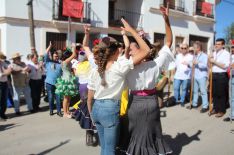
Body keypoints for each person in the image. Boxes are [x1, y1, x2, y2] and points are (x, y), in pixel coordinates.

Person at [87, 18, 150, 155]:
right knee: (109, 150)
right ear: (116, 52)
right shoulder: (119, 67)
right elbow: (146, 50)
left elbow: (89, 97)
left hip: (97, 108)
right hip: (109, 109)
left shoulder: (95, 70)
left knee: (104, 148)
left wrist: (92, 114)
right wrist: (131, 30)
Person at [125, 3, 173, 155]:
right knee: (146, 134)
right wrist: (166, 19)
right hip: (147, 101)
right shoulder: (149, 63)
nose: (129, 52)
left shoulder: (128, 65)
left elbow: (168, 43)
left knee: (141, 136)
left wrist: (166, 19)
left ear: (142, 50)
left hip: (139, 102)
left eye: (132, 49)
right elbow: (169, 42)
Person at [209, 38, 230, 117]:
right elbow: (209, 64)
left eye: (218, 44)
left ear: (223, 45)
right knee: (214, 93)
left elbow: (225, 66)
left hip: (221, 75)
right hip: (214, 74)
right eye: (216, 44)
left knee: (221, 93)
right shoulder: (214, 53)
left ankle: (221, 110)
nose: (216, 45)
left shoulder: (226, 53)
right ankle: (215, 108)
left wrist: (214, 61)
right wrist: (209, 58)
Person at [41, 42, 63, 117]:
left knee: (58, 98)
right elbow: (45, 54)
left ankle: (59, 111)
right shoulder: (48, 62)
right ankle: (51, 110)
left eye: (57, 56)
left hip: (58, 83)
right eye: (55, 56)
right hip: (49, 83)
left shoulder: (60, 64)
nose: (56, 57)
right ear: (52, 56)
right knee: (50, 98)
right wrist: (50, 46)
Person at [55, 46, 77, 118]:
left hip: (69, 79)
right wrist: (73, 47)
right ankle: (65, 113)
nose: (72, 56)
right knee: (66, 98)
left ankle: (67, 111)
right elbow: (74, 55)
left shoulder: (66, 61)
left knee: (69, 97)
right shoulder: (65, 62)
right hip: (66, 80)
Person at [189, 41, 209, 113]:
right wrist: (190, 64)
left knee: (203, 91)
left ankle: (205, 106)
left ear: (199, 48)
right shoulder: (195, 55)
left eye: (194, 48)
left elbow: (204, 66)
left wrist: (197, 63)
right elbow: (192, 65)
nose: (193, 49)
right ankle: (194, 104)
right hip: (195, 75)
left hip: (202, 76)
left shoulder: (204, 55)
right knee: (195, 91)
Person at [0, 52, 12, 121]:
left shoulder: (2, 63)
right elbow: (3, 74)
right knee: (1, 100)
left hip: (4, 83)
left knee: (4, 100)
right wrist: (6, 72)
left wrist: (6, 71)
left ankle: (2, 114)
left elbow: (9, 68)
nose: (2, 59)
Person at [224, 43, 234, 121]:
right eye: (232, 47)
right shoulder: (230, 56)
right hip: (231, 77)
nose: (232, 49)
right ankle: (232, 115)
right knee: (231, 98)